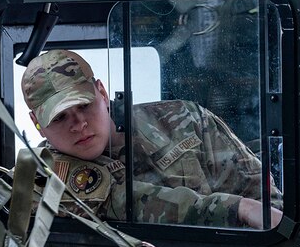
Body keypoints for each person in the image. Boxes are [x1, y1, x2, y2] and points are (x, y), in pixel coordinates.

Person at [20, 49, 283, 229]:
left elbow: (266, 200)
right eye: (60, 118)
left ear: (101, 92)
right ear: (38, 125)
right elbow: (140, 204)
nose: (79, 125)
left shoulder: (186, 119)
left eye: (84, 105)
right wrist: (240, 209)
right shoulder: (45, 178)